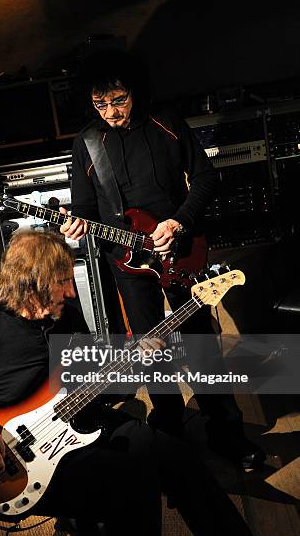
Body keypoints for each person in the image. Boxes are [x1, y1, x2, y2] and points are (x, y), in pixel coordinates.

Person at [0, 230, 277, 536]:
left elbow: (95, 384)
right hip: (26, 465)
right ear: (32, 283)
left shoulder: (64, 315)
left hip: (83, 422)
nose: (71, 291)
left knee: (180, 458)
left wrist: (132, 362)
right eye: (62, 281)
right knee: (134, 484)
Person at [60, 48, 266, 469]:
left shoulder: (166, 123)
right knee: (150, 350)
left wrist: (178, 223)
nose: (111, 112)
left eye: (119, 100)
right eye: (100, 104)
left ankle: (226, 432)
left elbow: (206, 177)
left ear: (135, 91)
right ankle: (168, 429)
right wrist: (74, 224)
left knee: (202, 347)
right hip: (128, 264)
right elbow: (83, 206)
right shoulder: (86, 142)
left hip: (179, 252)